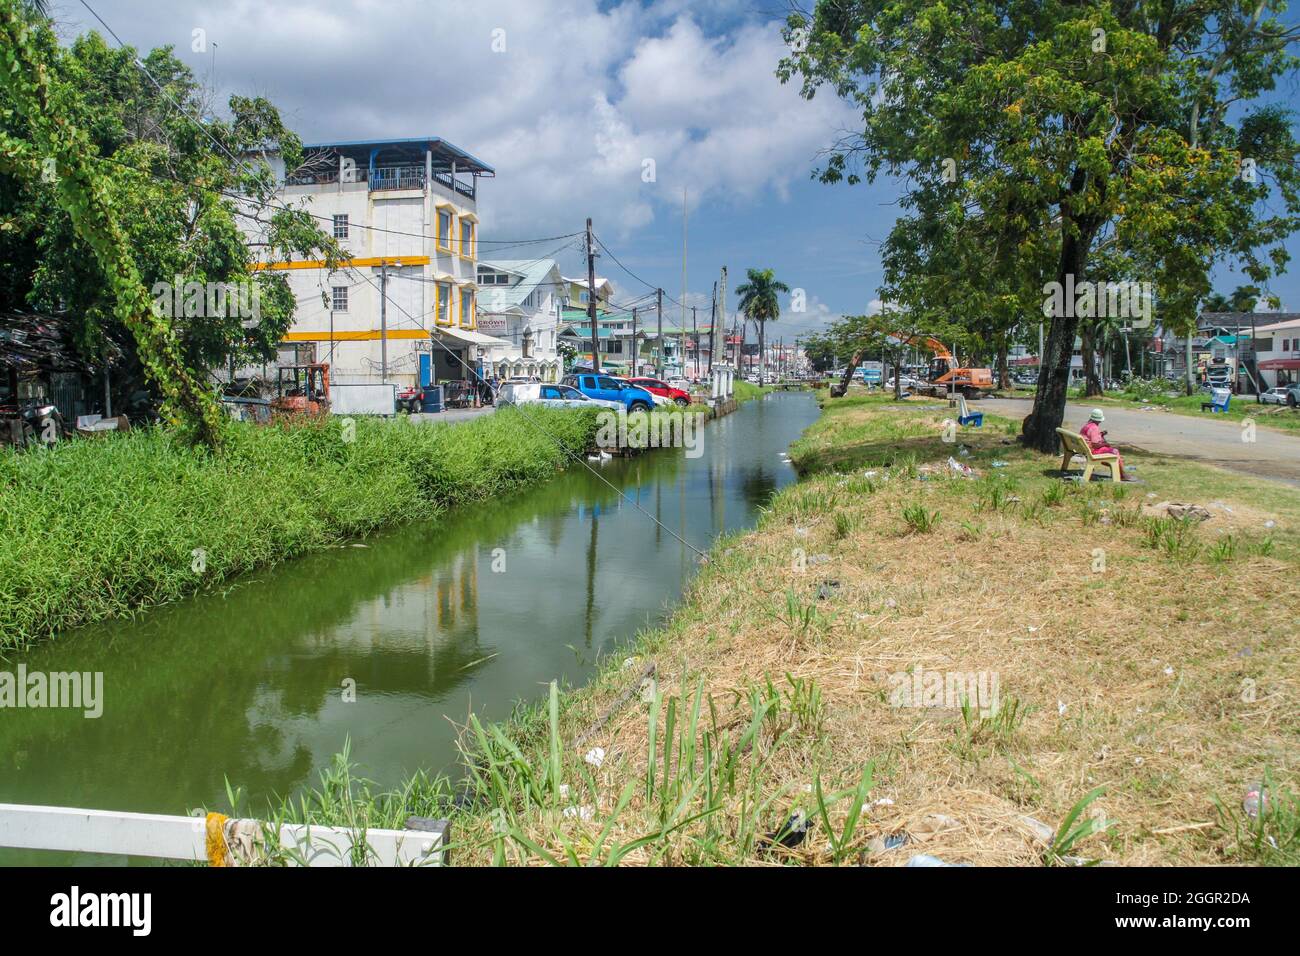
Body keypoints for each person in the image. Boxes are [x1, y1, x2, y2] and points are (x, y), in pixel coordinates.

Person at [1080, 408, 1129, 480]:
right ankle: (1122, 474)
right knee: (1115, 451)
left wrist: (1101, 434)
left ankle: (1118, 472)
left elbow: (1091, 437)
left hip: (1086, 449)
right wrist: (1105, 444)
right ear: (1099, 420)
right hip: (1092, 451)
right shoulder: (1094, 428)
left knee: (1111, 450)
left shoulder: (1087, 426)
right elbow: (1095, 445)